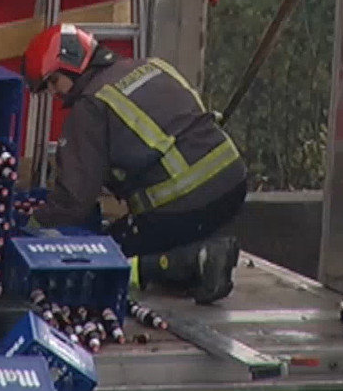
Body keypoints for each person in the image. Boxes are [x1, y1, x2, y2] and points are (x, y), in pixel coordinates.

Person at [22, 23, 248, 304]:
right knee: (151, 230)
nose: (55, 94)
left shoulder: (91, 106)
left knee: (102, 257)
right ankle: (200, 251)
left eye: (54, 82)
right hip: (232, 183)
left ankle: (194, 261)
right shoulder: (152, 66)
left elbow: (74, 201)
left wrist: (31, 228)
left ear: (71, 63)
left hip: (188, 202)